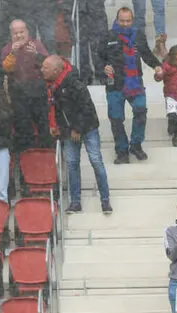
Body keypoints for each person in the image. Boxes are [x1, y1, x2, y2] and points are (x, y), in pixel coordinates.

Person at [43, 54, 111, 215]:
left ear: (56, 70)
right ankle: (75, 202)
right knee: (72, 164)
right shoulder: (52, 85)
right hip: (68, 130)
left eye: (45, 67)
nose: (41, 70)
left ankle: (105, 200)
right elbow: (57, 109)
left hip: (87, 128)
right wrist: (55, 126)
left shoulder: (74, 82)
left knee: (96, 161)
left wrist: (77, 129)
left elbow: (86, 106)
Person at [0, 21, 48, 151]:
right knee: (22, 126)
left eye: (21, 32)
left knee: (43, 124)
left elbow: (48, 65)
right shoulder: (7, 49)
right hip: (18, 94)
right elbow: (6, 69)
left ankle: (45, 151)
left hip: (38, 92)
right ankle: (25, 153)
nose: (19, 35)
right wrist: (13, 53)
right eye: (15, 33)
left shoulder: (36, 44)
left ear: (27, 32)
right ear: (11, 34)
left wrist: (36, 55)